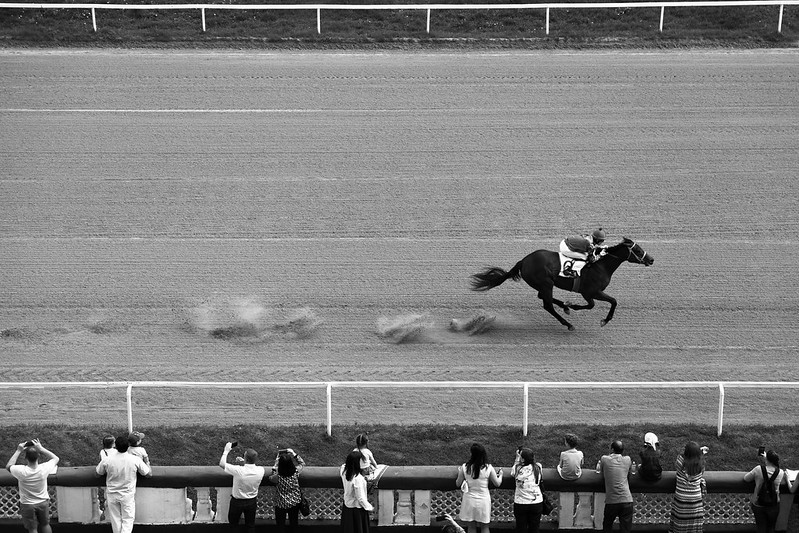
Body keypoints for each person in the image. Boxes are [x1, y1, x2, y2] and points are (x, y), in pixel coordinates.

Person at [96, 435, 152, 533]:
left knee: (116, 521)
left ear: (116, 446)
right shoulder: (135, 459)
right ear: (128, 446)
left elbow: (97, 473)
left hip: (112, 494)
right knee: (128, 520)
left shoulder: (107, 459)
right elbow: (148, 474)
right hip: (127, 494)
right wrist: (147, 462)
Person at [6, 439, 60, 533]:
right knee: (45, 524)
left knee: (32, 528)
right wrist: (41, 448)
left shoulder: (20, 471)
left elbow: (9, 466)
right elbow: (56, 458)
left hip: (27, 504)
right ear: (38, 456)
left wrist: (18, 450)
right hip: (43, 502)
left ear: (25, 458)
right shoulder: (44, 468)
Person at [456, 443, 503, 533]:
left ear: (472, 453)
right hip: (483, 500)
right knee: (485, 527)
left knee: (471, 527)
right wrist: (500, 475)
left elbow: (458, 483)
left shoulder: (465, 467)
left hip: (469, 499)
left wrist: (460, 473)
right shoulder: (488, 467)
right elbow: (497, 483)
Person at [219, 442, 266, 533]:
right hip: (251, 501)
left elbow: (222, 464)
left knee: (233, 525)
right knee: (250, 525)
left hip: (237, 502)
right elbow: (251, 466)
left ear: (245, 458)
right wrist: (244, 462)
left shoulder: (238, 470)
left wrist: (226, 451)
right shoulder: (261, 470)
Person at [744, 449, 787, 533]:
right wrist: (767, 459)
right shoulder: (780, 472)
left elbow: (746, 479)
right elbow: (773, 468)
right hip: (774, 503)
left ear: (767, 460)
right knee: (771, 528)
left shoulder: (758, 469)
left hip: (758, 503)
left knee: (761, 528)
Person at [670, 442, 708, 533]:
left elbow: (681, 455)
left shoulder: (680, 463)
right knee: (693, 526)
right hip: (695, 502)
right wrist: (700, 453)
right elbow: (697, 459)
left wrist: (696, 452)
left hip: (681, 501)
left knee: (680, 523)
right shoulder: (701, 466)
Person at [597, 440, 634, 533]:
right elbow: (629, 474)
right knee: (625, 529)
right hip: (627, 499)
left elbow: (601, 472)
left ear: (612, 449)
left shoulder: (604, 459)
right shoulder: (628, 459)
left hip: (612, 500)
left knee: (607, 526)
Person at [269, 448, 306, 533]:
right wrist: (293, 453)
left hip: (280, 504)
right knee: (294, 524)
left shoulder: (277, 478)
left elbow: (271, 477)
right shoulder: (296, 473)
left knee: (280, 525)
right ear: (291, 464)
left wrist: (275, 464)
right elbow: (302, 463)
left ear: (280, 465)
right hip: (294, 502)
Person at [511, 447, 543, 533]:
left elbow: (513, 472)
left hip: (521, 503)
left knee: (521, 528)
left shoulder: (517, 468)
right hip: (536, 502)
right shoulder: (538, 467)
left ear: (522, 459)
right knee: (534, 528)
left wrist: (517, 458)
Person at [340, 450, 374, 533]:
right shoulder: (358, 479)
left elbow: (343, 466)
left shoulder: (344, 472)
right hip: (357, 510)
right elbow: (360, 497)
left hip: (347, 506)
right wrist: (369, 507)